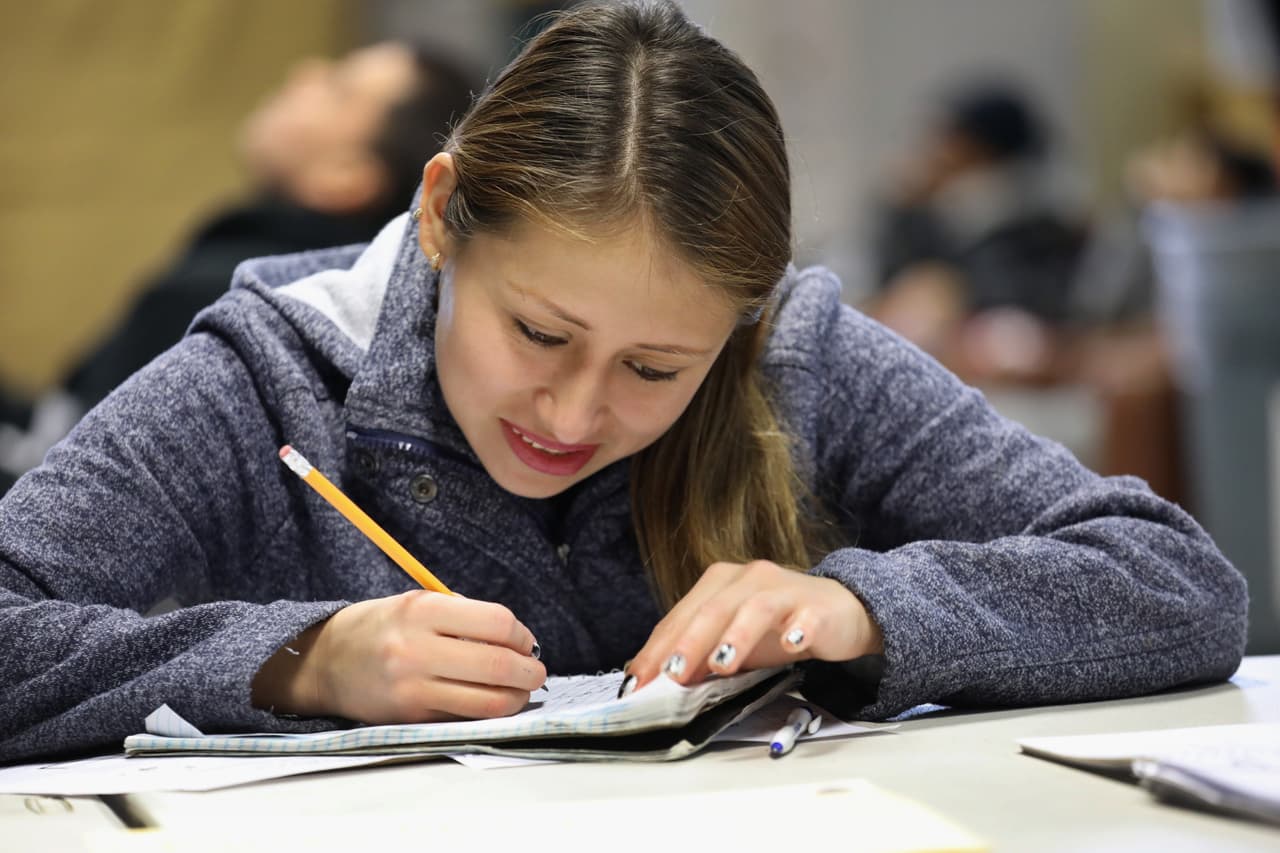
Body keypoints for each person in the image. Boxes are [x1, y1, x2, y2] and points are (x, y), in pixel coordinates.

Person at [0, 0, 1246, 764]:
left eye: (656, 367)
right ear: (440, 217)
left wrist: (857, 613)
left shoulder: (795, 352)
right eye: (538, 333)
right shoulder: (271, 370)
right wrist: (297, 661)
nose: (574, 412)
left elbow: (1175, 581)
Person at [0, 40, 476, 495]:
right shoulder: (261, 265)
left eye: (338, 88)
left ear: (346, 174)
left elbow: (63, 479)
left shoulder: (232, 298)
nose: (304, 73)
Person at [865, 82, 1088, 383]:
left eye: (949, 137)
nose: (936, 150)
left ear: (979, 146)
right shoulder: (925, 210)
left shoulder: (1034, 219)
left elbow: (1021, 301)